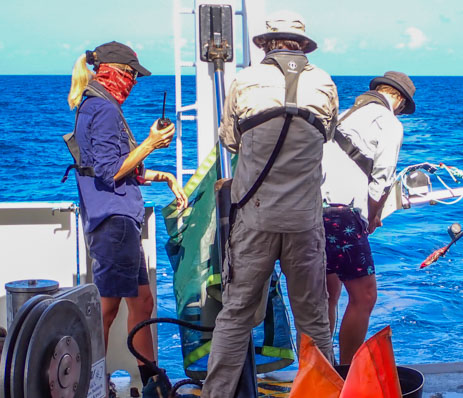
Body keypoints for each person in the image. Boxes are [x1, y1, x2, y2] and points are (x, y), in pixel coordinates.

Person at [201, 10, 338, 397]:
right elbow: (326, 135)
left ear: (265, 44)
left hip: (255, 218)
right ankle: (322, 393)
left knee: (236, 316)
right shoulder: (324, 83)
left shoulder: (244, 80)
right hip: (305, 221)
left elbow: (230, 139)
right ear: (302, 46)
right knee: (314, 323)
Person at [67, 41, 188, 395]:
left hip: (118, 219)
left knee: (143, 301)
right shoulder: (103, 109)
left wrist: (163, 176)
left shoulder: (95, 105)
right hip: (115, 221)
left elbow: (114, 168)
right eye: (132, 75)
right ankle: (90, 383)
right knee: (106, 309)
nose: (134, 82)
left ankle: (152, 380)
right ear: (115, 72)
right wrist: (150, 144)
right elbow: (109, 172)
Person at [320, 71, 416, 364]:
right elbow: (383, 180)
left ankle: (321, 368)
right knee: (364, 297)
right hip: (343, 215)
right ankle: (347, 373)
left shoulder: (345, 115)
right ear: (398, 100)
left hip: (311, 210)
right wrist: (373, 217)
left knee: (328, 293)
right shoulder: (389, 122)